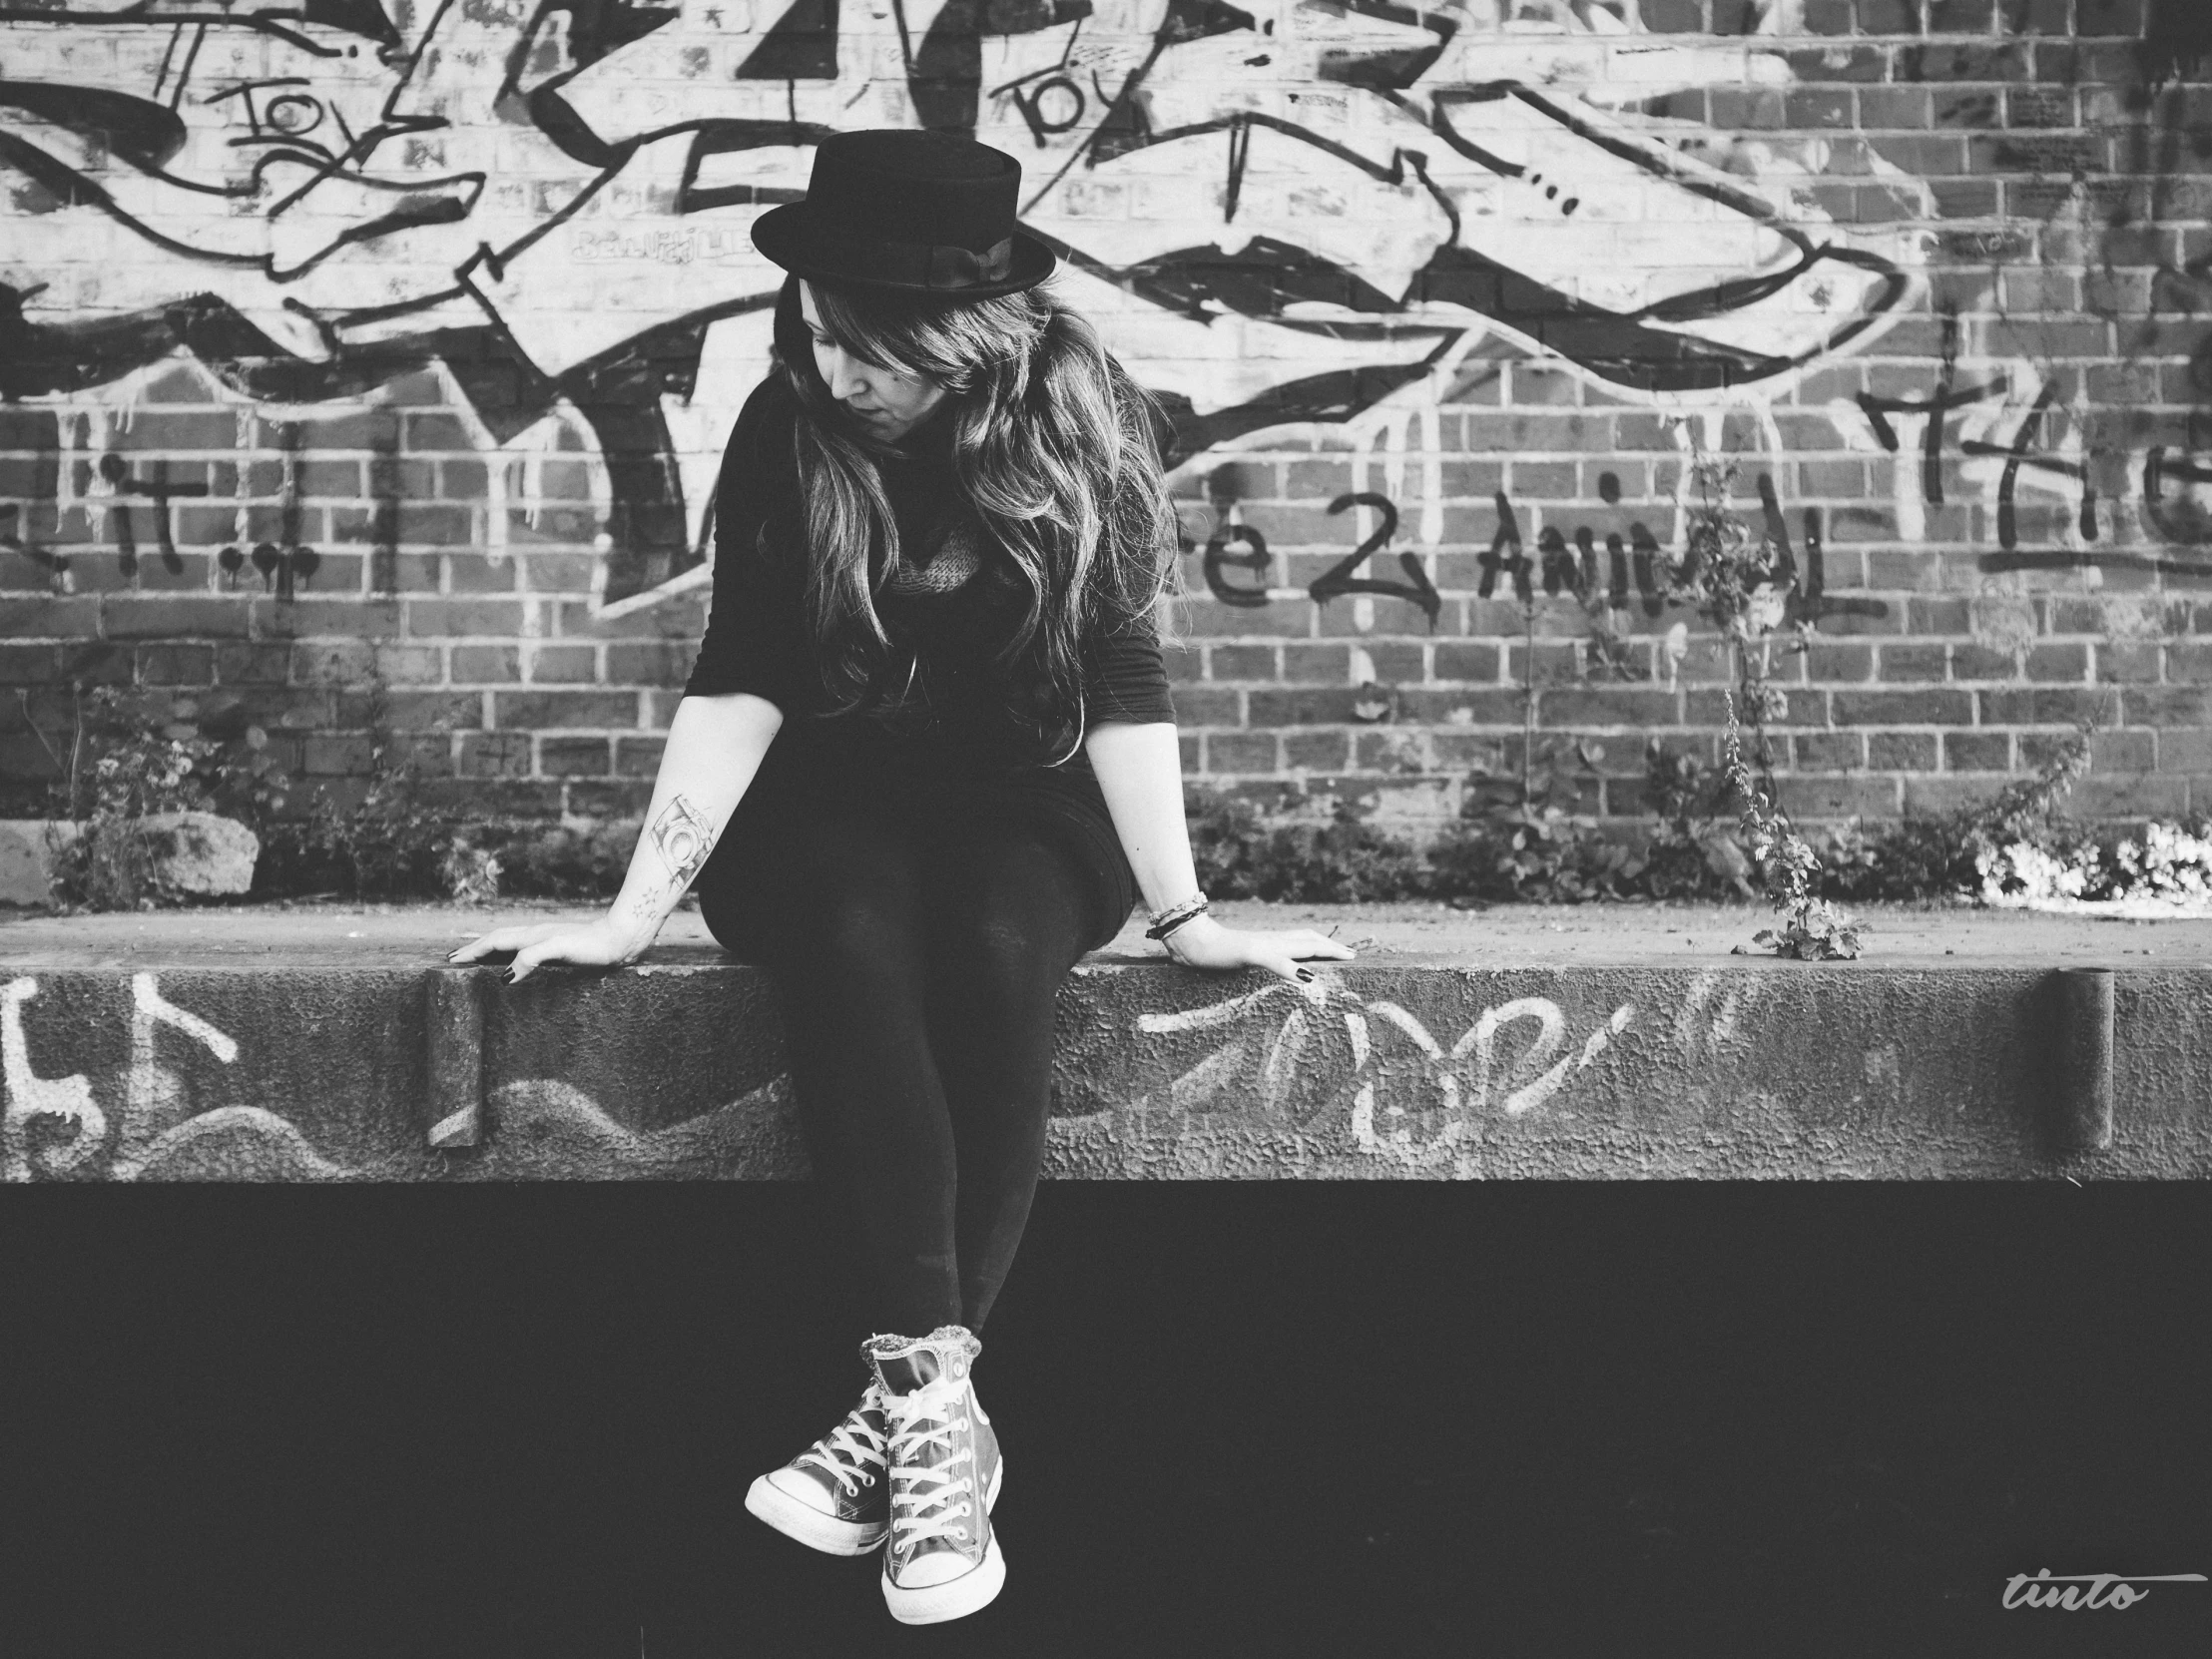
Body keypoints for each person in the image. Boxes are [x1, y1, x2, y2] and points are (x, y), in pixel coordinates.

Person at [450, 128, 1355, 1625]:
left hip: (1027, 795)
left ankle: (904, 1411)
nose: (832, 364)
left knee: (998, 942)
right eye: (811, 329)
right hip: (827, 800)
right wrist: (630, 912)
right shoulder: (784, 427)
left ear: (963, 340)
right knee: (858, 934)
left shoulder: (1084, 420)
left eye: (866, 342)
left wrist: (1188, 916)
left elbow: (1122, 675)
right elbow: (739, 675)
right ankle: (937, 1410)